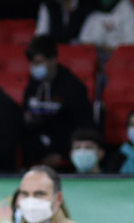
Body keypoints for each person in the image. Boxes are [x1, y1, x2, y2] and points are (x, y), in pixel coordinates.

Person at [20, 35, 93, 166]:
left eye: (39, 62)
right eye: (32, 63)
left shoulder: (73, 87)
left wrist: (63, 154)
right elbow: (25, 113)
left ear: (53, 60)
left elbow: (82, 126)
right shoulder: (33, 85)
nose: (35, 67)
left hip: (62, 149)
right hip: (36, 148)